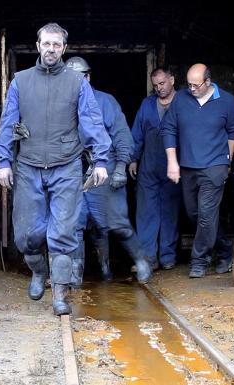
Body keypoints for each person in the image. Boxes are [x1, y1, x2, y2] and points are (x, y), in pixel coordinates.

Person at [0, 23, 111, 316]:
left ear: (63, 48)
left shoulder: (76, 82)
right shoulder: (21, 81)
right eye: (46, 43)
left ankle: (60, 294)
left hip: (66, 165)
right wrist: (4, 161)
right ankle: (37, 271)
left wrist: (101, 160)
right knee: (27, 235)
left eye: (57, 45)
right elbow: (8, 122)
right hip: (29, 166)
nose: (51, 49)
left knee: (63, 232)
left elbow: (92, 120)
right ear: (38, 46)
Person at [65, 56, 152, 287]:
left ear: (88, 77)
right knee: (75, 225)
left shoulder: (105, 101)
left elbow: (123, 135)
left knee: (115, 223)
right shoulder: (61, 105)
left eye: (79, 78)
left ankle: (141, 261)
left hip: (106, 167)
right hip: (75, 171)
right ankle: (78, 276)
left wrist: (122, 167)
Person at [160, 63, 234, 278]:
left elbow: (233, 131)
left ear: (208, 81)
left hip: (214, 166)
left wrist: (228, 160)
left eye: (196, 85)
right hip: (188, 166)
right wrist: (172, 161)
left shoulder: (227, 101)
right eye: (189, 85)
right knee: (195, 214)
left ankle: (199, 261)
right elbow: (168, 128)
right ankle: (225, 249)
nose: (191, 89)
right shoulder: (181, 100)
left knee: (206, 215)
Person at [129, 67, 181, 270]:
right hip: (149, 165)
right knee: (146, 212)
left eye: (163, 83)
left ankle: (168, 256)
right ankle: (148, 258)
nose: (159, 88)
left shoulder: (183, 102)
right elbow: (137, 133)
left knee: (170, 211)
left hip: (174, 165)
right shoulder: (147, 104)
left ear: (172, 80)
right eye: (156, 85)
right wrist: (133, 159)